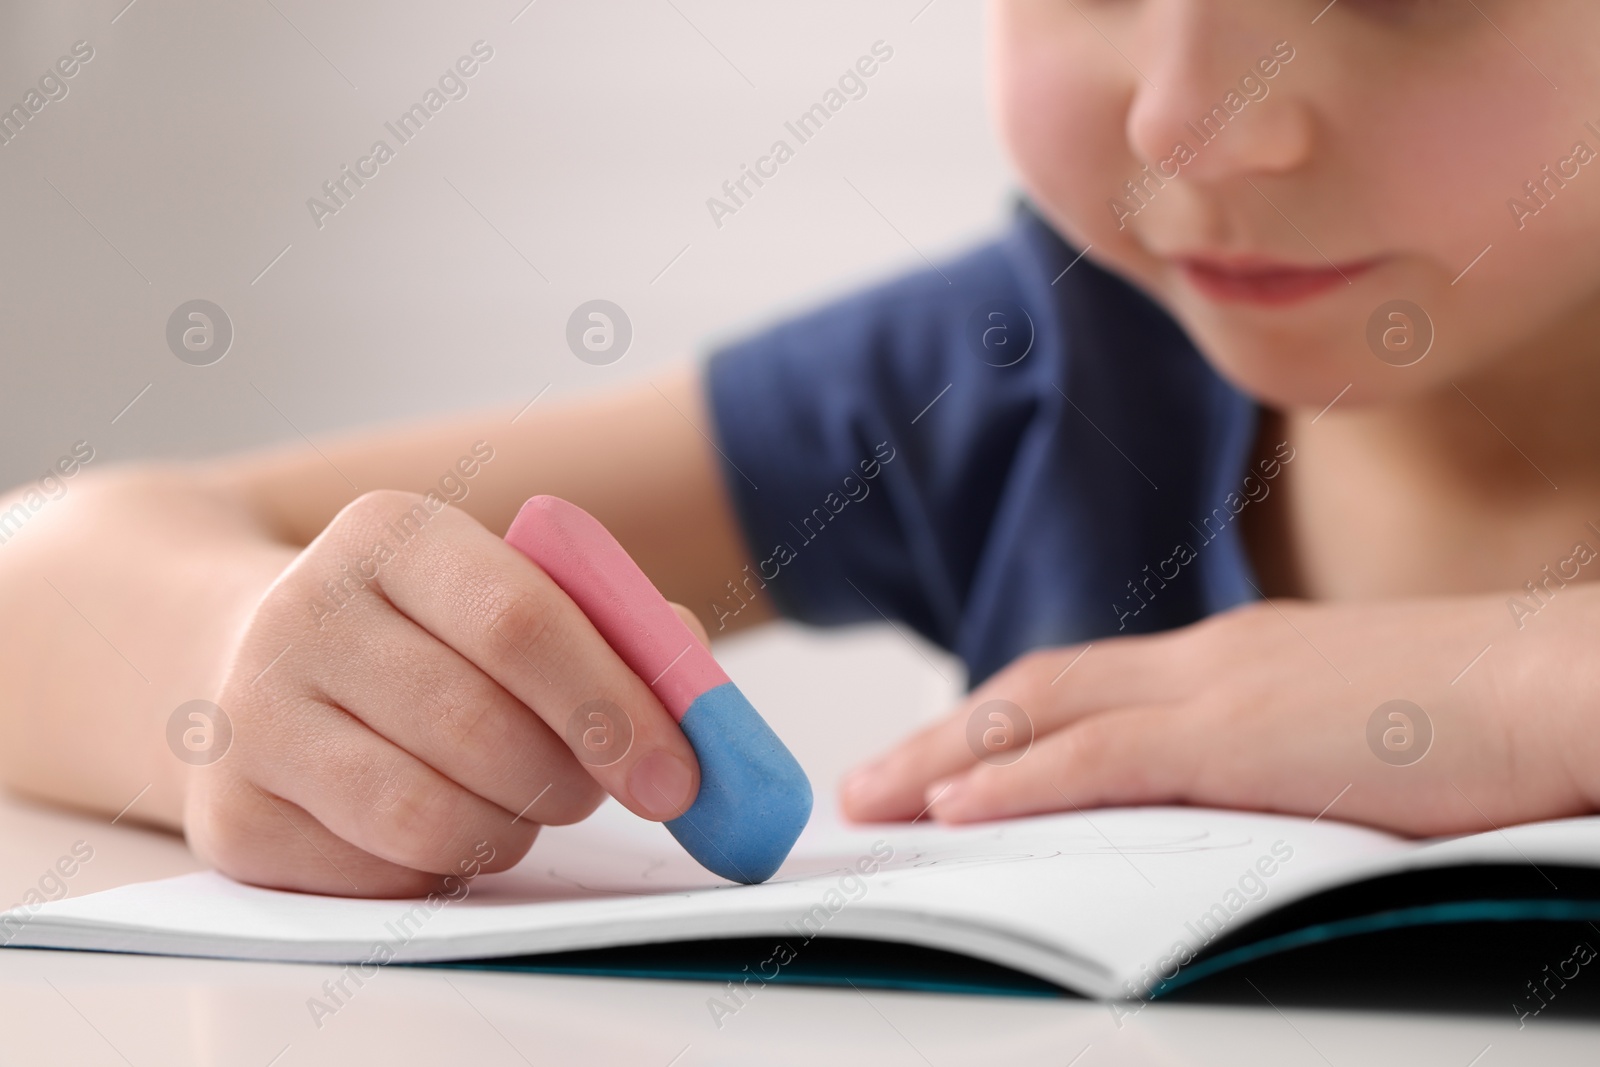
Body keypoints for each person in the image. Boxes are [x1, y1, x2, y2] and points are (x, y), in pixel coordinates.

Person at [3, 0, 1598, 897]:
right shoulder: (1018, 373)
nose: (1191, 120)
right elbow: (34, 583)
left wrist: (1538, 689)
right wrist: (244, 677)